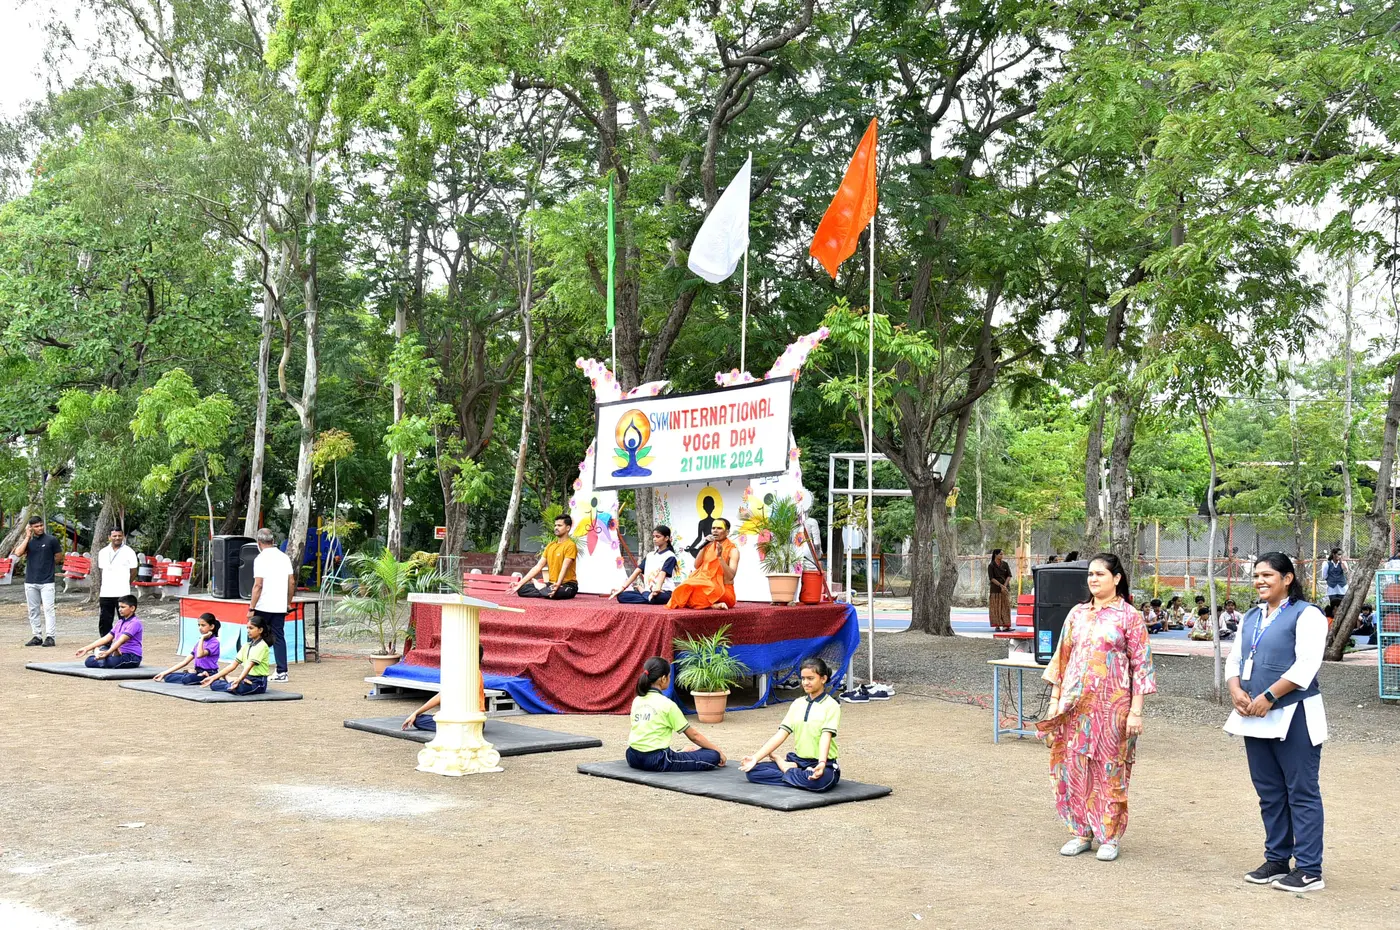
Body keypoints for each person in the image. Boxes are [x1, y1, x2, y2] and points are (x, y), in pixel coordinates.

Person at [1037, 552, 1155, 862]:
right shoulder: (1077, 614)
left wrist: (1136, 712)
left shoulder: (1129, 616)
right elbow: (1062, 660)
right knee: (1073, 767)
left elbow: (1141, 667)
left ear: (1116, 578)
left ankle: (1109, 836)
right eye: (1090, 574)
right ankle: (1081, 832)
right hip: (1074, 708)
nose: (1093, 579)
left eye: (1100, 574)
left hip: (1113, 710)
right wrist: (1054, 703)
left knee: (1110, 770)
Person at [1225, 552, 1327, 893]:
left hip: (1294, 713)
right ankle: (1277, 859)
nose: (1260, 581)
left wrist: (1269, 696)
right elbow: (1235, 659)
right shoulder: (1251, 616)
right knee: (1269, 792)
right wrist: (1236, 690)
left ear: (1287, 578)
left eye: (1267, 575)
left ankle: (1309, 869)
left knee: (1301, 791)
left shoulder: (1307, 614)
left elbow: (1306, 665)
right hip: (1254, 715)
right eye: (1256, 575)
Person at [740, 657, 842, 791]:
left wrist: (822, 763)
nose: (805, 682)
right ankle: (798, 773)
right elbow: (781, 734)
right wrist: (755, 758)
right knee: (753, 772)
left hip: (824, 763)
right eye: (803, 678)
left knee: (820, 782)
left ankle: (785, 767)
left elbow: (825, 736)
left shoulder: (832, 706)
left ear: (823, 679)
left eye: (810, 678)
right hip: (799, 762)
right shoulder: (797, 704)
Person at [626, 657, 727, 771]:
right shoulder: (667, 704)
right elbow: (694, 736)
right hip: (656, 760)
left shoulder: (637, 700)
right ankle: (680, 754)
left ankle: (680, 752)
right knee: (713, 755)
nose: (670, 679)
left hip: (632, 756)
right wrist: (718, 751)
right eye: (669, 676)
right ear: (663, 679)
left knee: (690, 752)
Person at [403, 644, 488, 731]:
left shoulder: (473, 674)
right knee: (417, 719)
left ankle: (454, 727)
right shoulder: (461, 673)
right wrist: (416, 713)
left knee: (421, 721)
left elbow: (466, 702)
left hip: (472, 720)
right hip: (459, 720)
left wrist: (445, 714)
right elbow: (442, 695)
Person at [248, 527, 296, 682]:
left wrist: (251, 607)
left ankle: (251, 669)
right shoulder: (284, 557)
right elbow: (291, 582)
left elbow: (258, 585)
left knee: (254, 636)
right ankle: (282, 671)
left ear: (259, 542)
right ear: (273, 541)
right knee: (278, 637)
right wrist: (288, 602)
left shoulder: (260, 559)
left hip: (262, 605)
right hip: (279, 606)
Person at [667, 518, 740, 610]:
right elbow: (696, 565)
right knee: (685, 590)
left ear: (727, 532)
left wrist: (720, 557)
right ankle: (712, 605)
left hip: (722, 590)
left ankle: (710, 604)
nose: (715, 531)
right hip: (706, 585)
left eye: (719, 528)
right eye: (713, 528)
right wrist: (704, 547)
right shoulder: (708, 545)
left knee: (699, 593)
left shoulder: (733, 550)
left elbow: (730, 576)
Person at [13, 515, 64, 647]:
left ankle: (50, 636)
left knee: (48, 609)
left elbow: (59, 557)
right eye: (36, 526)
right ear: (31, 528)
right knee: (33, 610)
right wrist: (27, 536)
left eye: (41, 525)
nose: (40, 528)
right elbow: (18, 553)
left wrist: (47, 565)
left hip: (47, 581)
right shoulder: (28, 542)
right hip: (30, 580)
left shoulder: (51, 540)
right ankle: (37, 635)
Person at [509, 514, 578, 600]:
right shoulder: (550, 546)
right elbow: (538, 566)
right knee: (522, 589)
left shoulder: (570, 545)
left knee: (557, 592)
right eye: (555, 525)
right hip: (550, 584)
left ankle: (541, 587)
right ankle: (544, 590)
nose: (556, 528)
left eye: (559, 525)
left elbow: (564, 568)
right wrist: (520, 583)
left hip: (567, 585)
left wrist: (558, 584)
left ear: (568, 528)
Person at [203, 616, 273, 696]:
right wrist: (213, 677)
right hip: (247, 679)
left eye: (251, 628)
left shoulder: (262, 646)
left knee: (239, 688)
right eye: (247, 628)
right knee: (214, 684)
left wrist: (239, 679)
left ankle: (231, 681)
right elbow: (233, 665)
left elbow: (249, 666)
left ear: (260, 630)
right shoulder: (246, 645)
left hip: (258, 682)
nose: (248, 631)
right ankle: (232, 682)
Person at [608, 527, 679, 605]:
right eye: (654, 536)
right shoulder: (650, 555)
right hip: (649, 591)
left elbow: (663, 573)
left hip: (664, 592)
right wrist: (622, 588)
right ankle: (647, 595)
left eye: (658, 537)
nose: (654, 539)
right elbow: (637, 571)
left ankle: (643, 592)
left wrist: (657, 589)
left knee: (658, 598)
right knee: (622, 596)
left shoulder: (670, 556)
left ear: (666, 538)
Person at [74, 594, 144, 668]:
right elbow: (106, 638)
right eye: (119, 607)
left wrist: (107, 653)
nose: (119, 609)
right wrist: (86, 648)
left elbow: (121, 641)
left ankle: (103, 657)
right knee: (89, 660)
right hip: (118, 654)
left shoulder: (135, 623)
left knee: (109, 661)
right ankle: (104, 656)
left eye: (123, 607)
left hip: (131, 657)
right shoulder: (120, 622)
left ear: (132, 608)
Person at [96, 528, 139, 637]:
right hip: (106, 591)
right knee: (105, 619)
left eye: (119, 536)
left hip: (123, 591)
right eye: (114, 536)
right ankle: (106, 642)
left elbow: (134, 570)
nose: (117, 538)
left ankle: (125, 641)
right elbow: (102, 570)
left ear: (123, 537)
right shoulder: (103, 552)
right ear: (109, 537)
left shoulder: (129, 551)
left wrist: (126, 583)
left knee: (125, 618)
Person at [155, 614, 222, 684]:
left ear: (211, 626)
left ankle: (204, 677)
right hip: (198, 672)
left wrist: (202, 638)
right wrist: (164, 673)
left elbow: (199, 655)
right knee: (168, 677)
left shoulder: (214, 642)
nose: (200, 628)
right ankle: (194, 675)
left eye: (203, 625)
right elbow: (185, 662)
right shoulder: (199, 643)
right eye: (199, 625)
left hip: (210, 672)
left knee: (187, 679)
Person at [987, 549, 1013, 632]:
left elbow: (1009, 575)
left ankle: (1006, 626)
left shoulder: (1005, 564)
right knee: (996, 607)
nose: (1002, 556)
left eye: (1002, 554)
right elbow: (991, 578)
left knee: (1005, 607)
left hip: (1004, 589)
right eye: (1000, 554)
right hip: (995, 589)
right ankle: (997, 625)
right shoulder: (991, 565)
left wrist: (1004, 586)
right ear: (996, 554)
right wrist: (1000, 585)